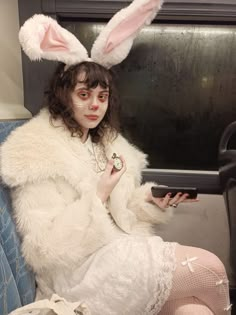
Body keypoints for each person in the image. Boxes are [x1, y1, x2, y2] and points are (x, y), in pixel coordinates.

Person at [0, 2, 232, 314]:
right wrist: (98, 193)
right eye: (84, 95)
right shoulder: (38, 152)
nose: (95, 105)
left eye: (102, 97)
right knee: (212, 270)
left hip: (116, 249)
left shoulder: (105, 144)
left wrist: (153, 203)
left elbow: (121, 213)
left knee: (195, 310)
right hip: (78, 272)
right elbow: (44, 249)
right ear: (64, 95)